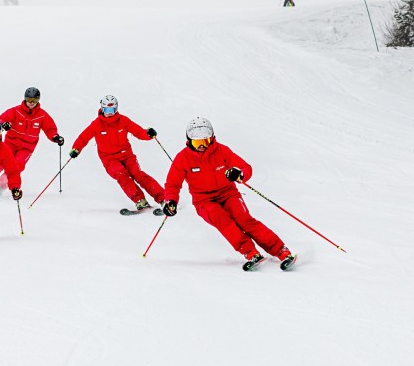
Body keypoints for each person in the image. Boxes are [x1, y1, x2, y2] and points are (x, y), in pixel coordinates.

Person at [161, 117, 296, 271]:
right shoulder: (182, 158)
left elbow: (245, 167)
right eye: (198, 143)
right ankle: (251, 253)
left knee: (244, 219)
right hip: (203, 200)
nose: (202, 146)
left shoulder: (222, 150)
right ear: (189, 141)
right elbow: (173, 183)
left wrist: (239, 174)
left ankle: (281, 250)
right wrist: (171, 200)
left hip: (228, 193)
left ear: (212, 138)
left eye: (206, 141)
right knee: (223, 221)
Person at [69, 95, 164, 210]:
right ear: (102, 109)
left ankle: (163, 198)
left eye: (113, 110)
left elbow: (138, 132)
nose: (110, 113)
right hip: (109, 158)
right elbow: (83, 138)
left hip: (126, 155)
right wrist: (76, 149)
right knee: (121, 174)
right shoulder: (96, 124)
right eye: (107, 110)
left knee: (138, 174)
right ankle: (139, 200)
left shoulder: (123, 120)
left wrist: (148, 134)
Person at [0, 86, 64, 199]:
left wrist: (55, 137)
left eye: (35, 101)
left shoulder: (42, 115)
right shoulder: (16, 111)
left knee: (17, 166)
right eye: (29, 100)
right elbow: (2, 118)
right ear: (25, 99)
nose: (31, 103)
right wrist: (4, 124)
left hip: (27, 148)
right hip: (10, 143)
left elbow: (50, 128)